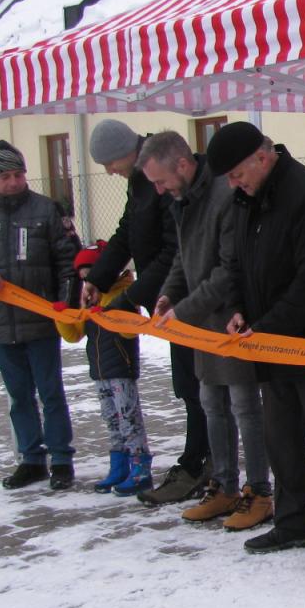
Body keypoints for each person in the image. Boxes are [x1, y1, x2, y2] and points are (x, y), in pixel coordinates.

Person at [207, 122, 305, 569]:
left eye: (237, 174)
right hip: (269, 342)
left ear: (262, 158)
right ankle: (293, 520)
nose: (234, 184)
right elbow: (236, 265)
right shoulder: (246, 199)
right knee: (281, 437)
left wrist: (267, 328)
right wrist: (238, 310)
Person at [138, 131, 274, 532]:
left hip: (231, 319)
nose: (159, 190)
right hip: (201, 323)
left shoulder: (224, 194)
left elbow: (229, 270)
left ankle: (259, 491)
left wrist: (183, 311)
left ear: (182, 164)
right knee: (211, 403)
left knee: (245, 407)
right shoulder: (184, 200)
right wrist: (168, 295)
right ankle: (224, 486)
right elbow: (183, 257)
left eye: (161, 180)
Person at [83, 119, 210, 506]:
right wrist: (99, 278)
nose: (109, 171)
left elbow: (174, 250)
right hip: (165, 301)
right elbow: (128, 232)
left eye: (110, 162)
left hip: (187, 300)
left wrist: (130, 297)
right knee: (187, 386)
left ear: (127, 151)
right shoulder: (141, 182)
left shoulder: (158, 177)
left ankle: (202, 464)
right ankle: (199, 461)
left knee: (197, 386)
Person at [0, 140, 77, 490]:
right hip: (2, 322)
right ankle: (31, 459)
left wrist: (65, 305)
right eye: (6, 176)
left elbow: (68, 260)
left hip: (42, 321)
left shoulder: (46, 210)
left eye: (19, 174)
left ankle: (61, 459)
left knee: (51, 392)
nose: (13, 182)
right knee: (19, 396)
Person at [56, 242, 154, 496]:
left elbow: (130, 332)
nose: (87, 283)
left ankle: (140, 468)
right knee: (111, 420)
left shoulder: (124, 295)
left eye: (90, 276)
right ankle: (119, 466)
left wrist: (114, 312)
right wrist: (62, 316)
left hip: (121, 369)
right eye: (83, 279)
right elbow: (74, 334)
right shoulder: (89, 299)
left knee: (128, 419)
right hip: (99, 371)